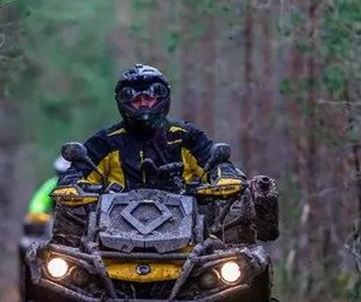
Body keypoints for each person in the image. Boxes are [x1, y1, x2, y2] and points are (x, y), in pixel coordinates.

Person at [51, 63, 246, 205]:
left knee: (233, 249)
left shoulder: (187, 136)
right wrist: (71, 182)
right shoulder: (106, 141)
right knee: (66, 248)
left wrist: (224, 175)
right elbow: (78, 173)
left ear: (163, 98)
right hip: (109, 236)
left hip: (191, 235)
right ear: (122, 102)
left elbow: (214, 163)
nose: (143, 103)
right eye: (134, 98)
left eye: (150, 97)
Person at [23, 154, 71, 235]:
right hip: (57, 220)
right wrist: (41, 215)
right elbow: (38, 203)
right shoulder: (52, 184)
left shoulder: (85, 184)